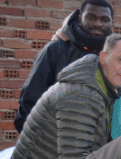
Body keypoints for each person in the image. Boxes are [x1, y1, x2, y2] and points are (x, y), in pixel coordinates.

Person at [15, 0, 114, 133]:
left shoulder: (115, 55)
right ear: (80, 18)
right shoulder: (55, 49)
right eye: (91, 17)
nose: (98, 24)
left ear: (112, 23)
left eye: (105, 19)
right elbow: (30, 101)